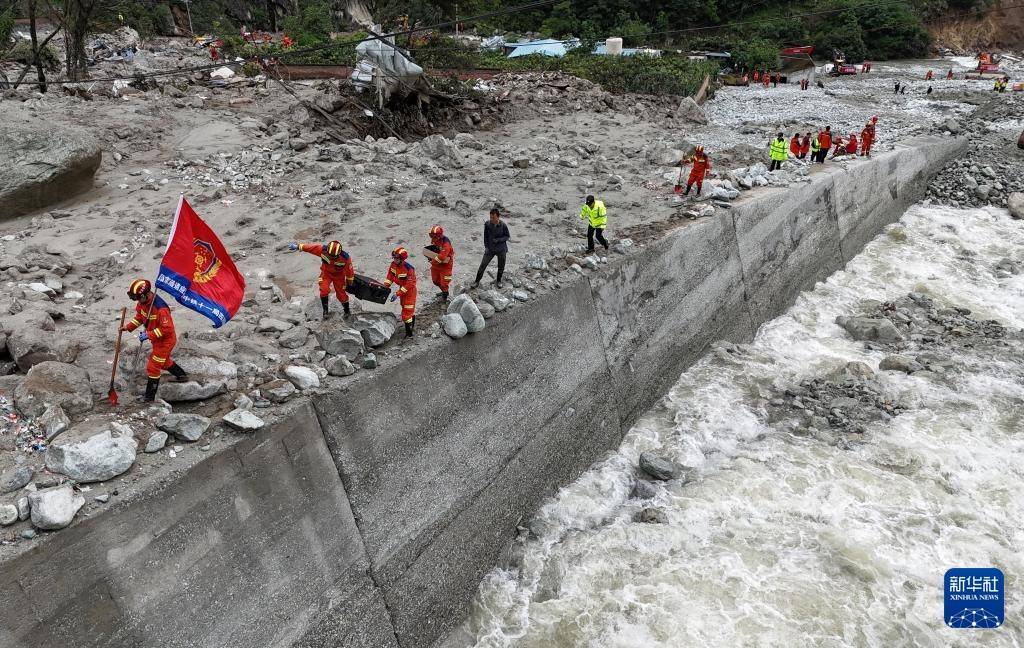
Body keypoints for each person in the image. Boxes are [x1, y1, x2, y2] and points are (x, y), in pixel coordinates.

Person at [120, 279, 187, 402]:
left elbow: (167, 329)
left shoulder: (161, 308)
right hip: (157, 341)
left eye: (138, 298)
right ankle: (182, 375)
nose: (137, 301)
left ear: (144, 295)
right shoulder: (142, 303)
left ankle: (149, 397)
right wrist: (128, 327)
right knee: (164, 361)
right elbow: (140, 317)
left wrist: (149, 335)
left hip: (166, 341)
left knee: (153, 366)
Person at [289, 239, 354, 319]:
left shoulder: (346, 258)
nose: (332, 258)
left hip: (339, 276)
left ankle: (347, 311)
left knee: (341, 295)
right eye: (330, 255)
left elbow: (349, 271)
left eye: (334, 256)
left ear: (339, 253)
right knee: (324, 290)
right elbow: (311, 248)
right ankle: (325, 311)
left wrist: (350, 281)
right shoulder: (323, 250)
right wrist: (298, 246)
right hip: (326, 274)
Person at [383, 247, 417, 339]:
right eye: (394, 258)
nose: (394, 260)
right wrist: (385, 287)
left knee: (406, 314)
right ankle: (411, 324)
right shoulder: (393, 265)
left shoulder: (409, 269)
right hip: (402, 290)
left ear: (402, 259)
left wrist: (397, 294)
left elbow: (409, 284)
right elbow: (390, 276)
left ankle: (409, 334)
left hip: (410, 292)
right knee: (406, 309)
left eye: (396, 258)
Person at [472, 208, 510, 289]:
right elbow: (485, 237)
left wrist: (498, 240)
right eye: (490, 217)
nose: (491, 219)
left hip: (501, 249)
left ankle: (499, 281)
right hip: (490, 249)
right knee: (483, 265)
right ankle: (476, 281)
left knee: (501, 266)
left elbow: (507, 236)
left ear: (498, 217)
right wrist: (486, 247)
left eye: (493, 218)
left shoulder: (503, 225)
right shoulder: (487, 224)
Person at [426, 225, 454, 302]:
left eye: (433, 236)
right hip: (436, 264)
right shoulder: (436, 239)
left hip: (446, 265)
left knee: (444, 283)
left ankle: (445, 298)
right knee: (435, 280)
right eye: (431, 236)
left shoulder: (446, 244)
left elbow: (442, 257)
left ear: (438, 236)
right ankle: (443, 291)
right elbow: (435, 248)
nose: (432, 238)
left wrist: (432, 261)